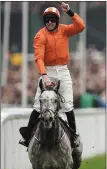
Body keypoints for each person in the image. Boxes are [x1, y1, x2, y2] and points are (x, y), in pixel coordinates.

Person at [19, 2, 85, 149]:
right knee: (38, 104)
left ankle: (73, 136)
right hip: (47, 71)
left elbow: (81, 26)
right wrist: (44, 76)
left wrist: (70, 11)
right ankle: (27, 136)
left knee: (68, 105)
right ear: (44, 21)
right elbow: (39, 58)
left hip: (63, 70)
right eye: (47, 20)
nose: (50, 22)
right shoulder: (40, 35)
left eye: (52, 20)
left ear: (57, 21)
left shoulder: (64, 30)